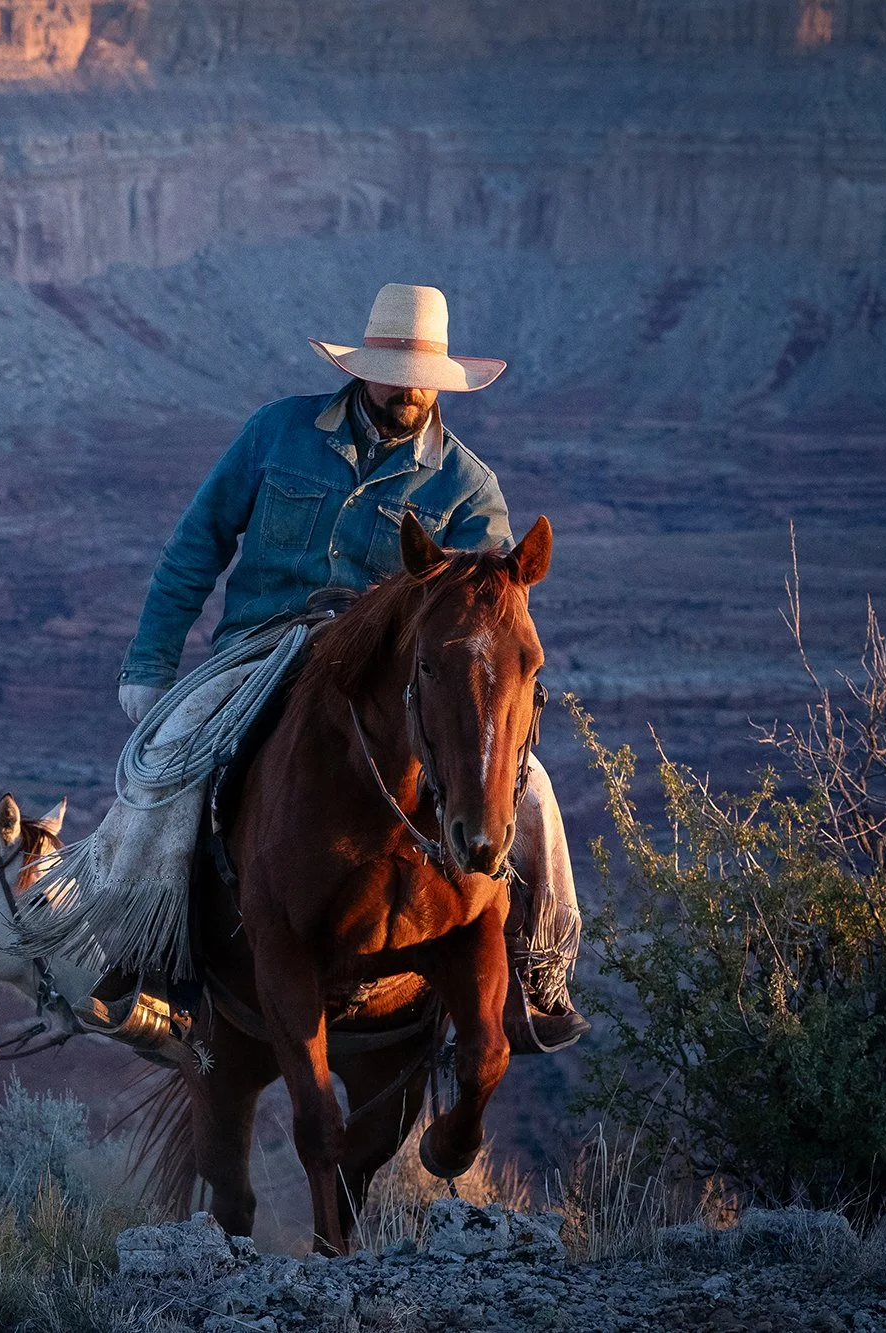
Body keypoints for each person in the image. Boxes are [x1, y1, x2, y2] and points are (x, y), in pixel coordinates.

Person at [118, 283, 588, 1052]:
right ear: (360, 366)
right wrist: (152, 662)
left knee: (528, 790)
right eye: (392, 371)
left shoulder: (468, 490)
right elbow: (199, 540)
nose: (407, 390)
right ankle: (143, 949)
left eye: (421, 377)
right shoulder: (279, 432)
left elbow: (497, 615)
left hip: (390, 677)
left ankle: (541, 968)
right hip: (260, 649)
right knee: (167, 759)